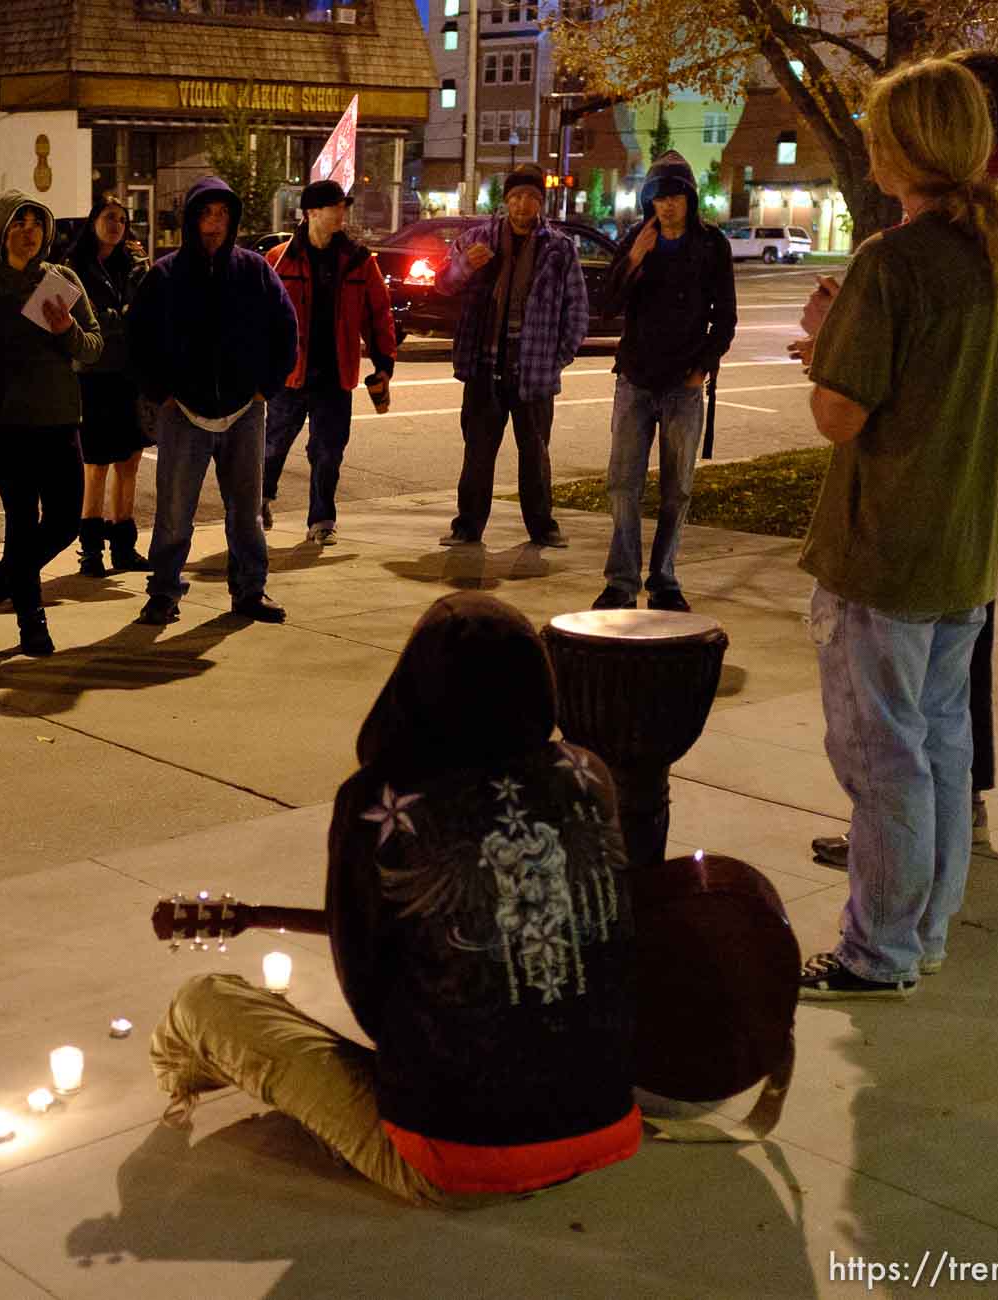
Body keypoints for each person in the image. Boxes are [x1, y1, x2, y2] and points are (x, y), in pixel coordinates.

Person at [150, 593, 640, 1204]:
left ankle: (178, 1087)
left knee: (205, 1002)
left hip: (454, 1158)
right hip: (608, 1126)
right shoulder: (588, 774)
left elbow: (368, 995)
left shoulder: (379, 799)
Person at [793, 58, 998, 999]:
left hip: (887, 548)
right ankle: (923, 932)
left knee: (879, 757)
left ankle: (878, 950)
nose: (865, 143)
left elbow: (839, 414)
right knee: (938, 746)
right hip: (965, 548)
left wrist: (823, 347)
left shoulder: (893, 262)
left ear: (906, 145)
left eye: (875, 129)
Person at [128, 177, 299, 627]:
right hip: (183, 411)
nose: (214, 223)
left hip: (245, 409)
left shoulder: (255, 270)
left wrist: (268, 386)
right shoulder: (164, 275)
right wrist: (160, 394)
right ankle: (163, 592)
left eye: (222, 214)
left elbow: (286, 329)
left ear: (232, 219)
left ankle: (250, 590)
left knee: (246, 510)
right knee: (174, 511)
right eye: (206, 213)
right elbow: (137, 340)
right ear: (191, 218)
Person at [0, 193, 103, 656]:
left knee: (62, 525)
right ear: (2, 231)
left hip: (59, 421)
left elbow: (93, 348)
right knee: (21, 523)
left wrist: (67, 331)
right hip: (10, 427)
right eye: (20, 222)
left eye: (38, 223)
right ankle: (30, 624)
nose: (29, 231)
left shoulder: (63, 281)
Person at [594, 151, 736, 612]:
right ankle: (621, 580)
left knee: (678, 487)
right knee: (623, 482)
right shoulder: (638, 238)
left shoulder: (711, 245)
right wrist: (633, 259)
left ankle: (664, 577)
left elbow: (726, 318)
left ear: (690, 199)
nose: (667, 205)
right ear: (648, 200)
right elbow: (608, 305)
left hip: (683, 383)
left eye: (676, 196)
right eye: (659, 197)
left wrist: (702, 367)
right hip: (635, 377)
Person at [435, 162, 588, 549]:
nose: (523, 205)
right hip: (484, 365)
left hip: (533, 368)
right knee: (478, 454)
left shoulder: (559, 247)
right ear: (506, 201)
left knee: (535, 454)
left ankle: (543, 527)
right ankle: (466, 526)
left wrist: (559, 357)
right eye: (516, 197)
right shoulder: (478, 239)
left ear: (541, 202)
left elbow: (577, 309)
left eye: (531, 198)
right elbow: (443, 284)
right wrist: (467, 264)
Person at [262, 178, 398, 547]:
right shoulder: (278, 260)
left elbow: (378, 314)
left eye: (343, 206)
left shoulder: (357, 260)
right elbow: (260, 316)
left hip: (336, 375)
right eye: (334, 206)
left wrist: (384, 361)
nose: (342, 213)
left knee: (328, 451)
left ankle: (322, 519)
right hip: (289, 374)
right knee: (273, 445)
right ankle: (261, 499)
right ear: (311, 213)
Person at [63, 194, 155, 576]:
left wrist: (143, 263)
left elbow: (149, 308)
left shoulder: (131, 265)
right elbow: (82, 320)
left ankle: (123, 545)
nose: (116, 224)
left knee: (130, 459)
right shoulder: (75, 267)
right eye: (109, 217)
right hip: (92, 374)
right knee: (96, 463)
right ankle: (90, 549)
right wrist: (122, 318)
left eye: (122, 219)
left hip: (128, 374)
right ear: (93, 220)